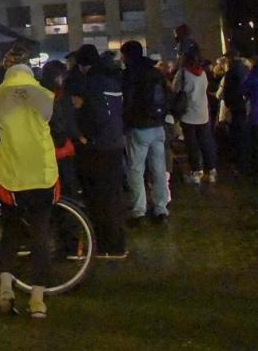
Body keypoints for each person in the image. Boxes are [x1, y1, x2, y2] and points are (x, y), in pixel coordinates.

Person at [0, 43, 59, 318]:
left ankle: (5, 286)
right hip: (42, 171)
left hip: (11, 172)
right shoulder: (45, 95)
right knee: (41, 235)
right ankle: (37, 301)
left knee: (11, 229)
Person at [66, 44, 128, 259]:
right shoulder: (112, 80)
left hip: (96, 148)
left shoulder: (87, 84)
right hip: (116, 144)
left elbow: (86, 115)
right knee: (113, 195)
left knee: (97, 198)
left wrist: (85, 138)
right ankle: (118, 243)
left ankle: (104, 245)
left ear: (83, 65)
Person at [121, 41, 170, 225]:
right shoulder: (155, 72)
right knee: (159, 169)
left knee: (135, 170)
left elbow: (127, 102)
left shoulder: (129, 74)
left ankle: (139, 211)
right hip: (158, 126)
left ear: (128, 55)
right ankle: (160, 209)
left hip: (138, 127)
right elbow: (167, 96)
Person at [173, 50, 216, 184]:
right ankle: (212, 170)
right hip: (203, 112)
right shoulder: (202, 73)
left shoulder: (183, 73)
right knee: (206, 142)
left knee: (192, 144)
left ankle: (197, 171)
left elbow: (175, 89)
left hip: (188, 113)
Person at [39, 60, 80, 196]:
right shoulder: (58, 95)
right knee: (66, 187)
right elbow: (62, 123)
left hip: (43, 150)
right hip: (60, 150)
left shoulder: (38, 94)